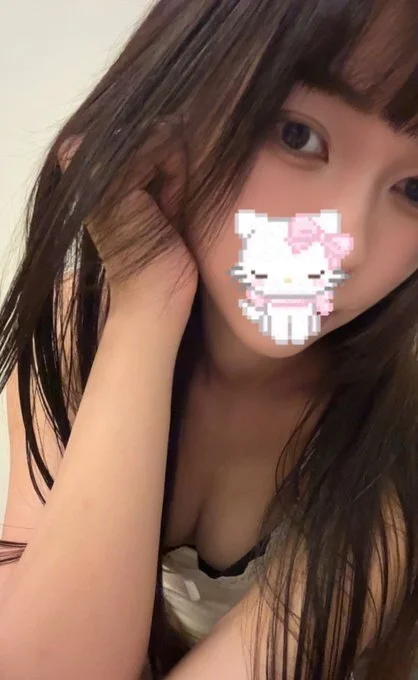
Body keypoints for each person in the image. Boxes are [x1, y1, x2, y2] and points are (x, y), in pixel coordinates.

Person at [0, 0, 417, 679]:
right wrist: (147, 307)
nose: (345, 245)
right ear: (178, 107)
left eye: (414, 190)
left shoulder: (387, 452)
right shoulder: (77, 322)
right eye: (297, 135)